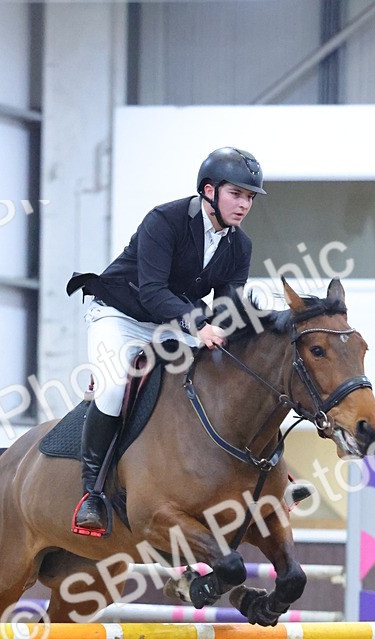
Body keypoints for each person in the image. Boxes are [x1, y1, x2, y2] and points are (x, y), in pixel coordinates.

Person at [66, 146, 266, 535]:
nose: (244, 205)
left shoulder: (240, 245)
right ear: (209, 191)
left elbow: (225, 307)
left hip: (173, 323)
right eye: (236, 194)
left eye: (250, 198)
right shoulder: (166, 219)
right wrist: (198, 325)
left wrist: (242, 331)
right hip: (121, 313)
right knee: (112, 389)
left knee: (223, 379)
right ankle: (91, 494)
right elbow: (152, 291)